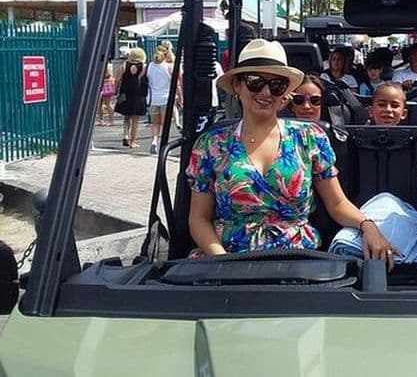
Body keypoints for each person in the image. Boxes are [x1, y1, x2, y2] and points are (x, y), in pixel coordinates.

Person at [186, 39, 398, 265]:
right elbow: (199, 218)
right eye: (255, 82)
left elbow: (337, 204)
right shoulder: (211, 144)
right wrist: (223, 262)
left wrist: (368, 226)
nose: (266, 91)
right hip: (227, 258)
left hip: (295, 261)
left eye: (277, 85)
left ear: (285, 92)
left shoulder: (309, 137)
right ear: (238, 86)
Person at [114, 47, 148, 148]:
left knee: (126, 116)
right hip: (138, 94)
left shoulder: (124, 65)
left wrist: (116, 91)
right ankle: (133, 141)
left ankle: (125, 135)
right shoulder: (144, 66)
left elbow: (117, 80)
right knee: (135, 119)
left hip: (125, 92)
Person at [146, 47, 174, 154]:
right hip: (165, 98)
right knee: (165, 123)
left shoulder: (149, 66)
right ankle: (164, 144)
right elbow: (176, 84)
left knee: (155, 123)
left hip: (152, 98)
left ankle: (154, 142)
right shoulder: (168, 67)